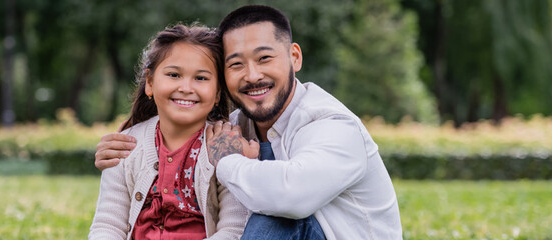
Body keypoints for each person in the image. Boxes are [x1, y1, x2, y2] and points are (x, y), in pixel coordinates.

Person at [95, 5, 402, 239]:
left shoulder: (332, 125)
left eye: (264, 58)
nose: (252, 75)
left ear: (294, 57)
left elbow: (290, 198)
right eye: (236, 64)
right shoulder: (232, 127)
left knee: (276, 215)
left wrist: (227, 161)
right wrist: (120, 147)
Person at [88, 24, 251, 240]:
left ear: (218, 92)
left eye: (201, 78)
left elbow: (234, 230)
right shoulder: (125, 145)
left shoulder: (225, 145)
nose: (186, 87)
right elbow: (107, 226)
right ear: (150, 82)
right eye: (174, 75)